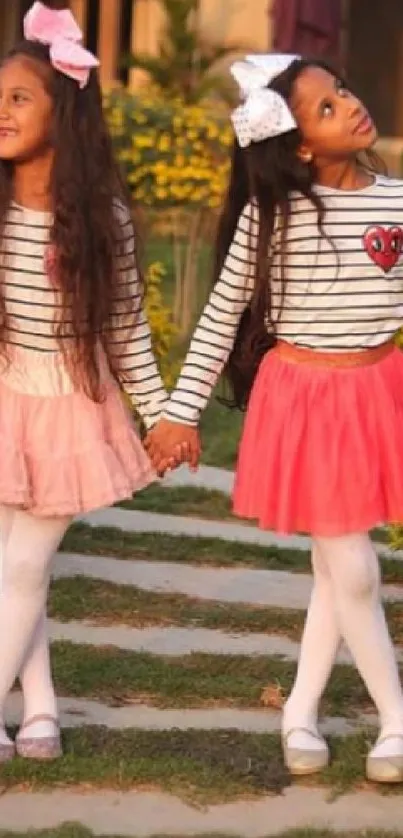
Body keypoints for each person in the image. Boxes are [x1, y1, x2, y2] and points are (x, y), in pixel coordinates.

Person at [145, 53, 403, 783]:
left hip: (377, 391)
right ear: (296, 145)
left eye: (343, 91)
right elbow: (219, 320)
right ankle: (395, 720)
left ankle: (298, 710)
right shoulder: (272, 216)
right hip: (307, 401)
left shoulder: (397, 205)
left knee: (335, 569)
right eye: (325, 108)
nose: (349, 105)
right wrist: (177, 412)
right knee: (352, 563)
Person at [0, 1, 166, 761]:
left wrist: (166, 414)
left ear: (62, 113)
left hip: (69, 405)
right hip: (6, 397)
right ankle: (41, 710)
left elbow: (128, 328)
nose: (0, 112)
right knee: (9, 570)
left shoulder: (102, 218)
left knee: (23, 565)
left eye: (18, 98)